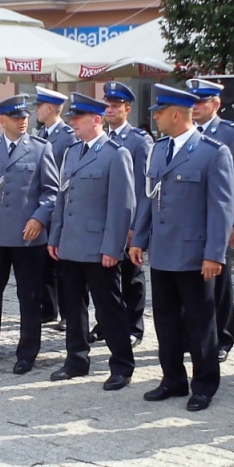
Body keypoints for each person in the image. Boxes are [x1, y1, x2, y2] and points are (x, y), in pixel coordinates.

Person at [129, 84, 234, 411]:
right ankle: (172, 378)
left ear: (176, 114)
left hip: (194, 254)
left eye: (158, 113)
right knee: (166, 320)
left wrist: (215, 254)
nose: (155, 118)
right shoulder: (159, 149)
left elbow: (222, 208)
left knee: (201, 322)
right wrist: (139, 239)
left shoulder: (212, 152)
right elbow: (150, 197)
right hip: (162, 251)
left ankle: (204, 384)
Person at [0, 94, 59, 374]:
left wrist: (39, 219)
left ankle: (27, 352)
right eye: (16, 118)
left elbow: (51, 192)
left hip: (28, 236)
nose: (22, 122)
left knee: (29, 297)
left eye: (25, 117)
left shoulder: (40, 148)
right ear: (1, 120)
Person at [48, 92, 136, 391]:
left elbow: (122, 206)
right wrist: (55, 234)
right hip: (71, 243)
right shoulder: (72, 152)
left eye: (78, 118)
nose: (72, 122)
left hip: (99, 249)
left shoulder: (115, 153)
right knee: (72, 307)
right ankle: (76, 360)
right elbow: (62, 197)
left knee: (109, 309)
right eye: (72, 117)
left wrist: (113, 247)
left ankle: (122, 365)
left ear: (96, 120)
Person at [186, 78, 234, 362]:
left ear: (216, 104)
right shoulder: (188, 133)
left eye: (201, 101)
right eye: (193, 101)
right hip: (192, 223)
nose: (195, 107)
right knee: (194, 280)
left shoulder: (228, 133)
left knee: (220, 282)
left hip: (219, 220)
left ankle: (223, 337)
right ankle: (197, 333)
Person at [88, 81, 152, 348]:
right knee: (106, 279)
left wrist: (135, 226)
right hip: (103, 222)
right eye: (107, 106)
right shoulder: (100, 140)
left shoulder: (138, 141)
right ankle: (106, 323)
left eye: (115, 106)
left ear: (127, 109)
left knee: (131, 275)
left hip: (128, 221)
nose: (110, 111)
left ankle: (133, 327)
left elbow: (142, 186)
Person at [35, 86, 79, 330]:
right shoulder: (42, 132)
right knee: (45, 265)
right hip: (45, 208)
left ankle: (66, 313)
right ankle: (49, 308)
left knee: (61, 266)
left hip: (60, 206)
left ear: (50, 108)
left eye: (39, 106)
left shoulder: (67, 135)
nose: (36, 111)